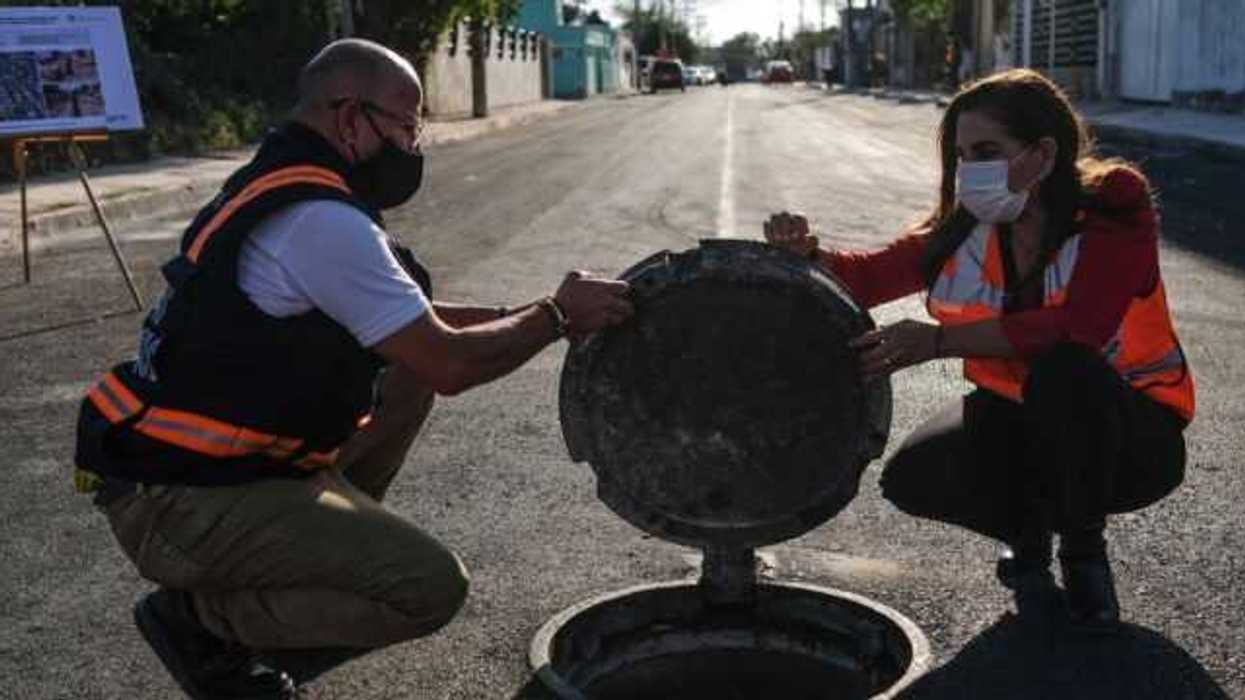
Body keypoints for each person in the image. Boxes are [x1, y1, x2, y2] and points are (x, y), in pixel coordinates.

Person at [73, 38, 633, 699]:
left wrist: (527, 313)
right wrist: (554, 317)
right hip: (181, 503)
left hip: (190, 473)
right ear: (348, 117)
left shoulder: (283, 183)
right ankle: (203, 624)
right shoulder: (320, 221)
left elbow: (411, 320)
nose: (413, 144)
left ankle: (318, 550)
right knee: (427, 588)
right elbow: (449, 361)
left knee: (404, 372)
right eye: (404, 124)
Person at [764, 68, 1193, 626]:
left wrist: (937, 340)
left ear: (1042, 153)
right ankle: (1029, 539)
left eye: (987, 150)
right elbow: (869, 277)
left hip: (1133, 436)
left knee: (1067, 371)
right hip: (1019, 415)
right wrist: (806, 255)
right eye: (963, 154)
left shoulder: (1115, 208)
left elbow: (1078, 329)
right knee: (914, 478)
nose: (971, 169)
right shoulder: (971, 225)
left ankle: (1084, 555)